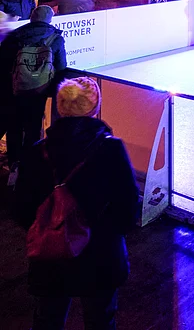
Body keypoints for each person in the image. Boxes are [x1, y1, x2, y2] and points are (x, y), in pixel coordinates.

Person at [12, 77, 139, 330]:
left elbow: (21, 208)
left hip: (50, 256)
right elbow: (128, 208)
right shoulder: (112, 149)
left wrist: (51, 227)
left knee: (47, 321)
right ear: (95, 107)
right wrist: (103, 231)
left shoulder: (37, 151)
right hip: (101, 256)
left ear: (60, 107)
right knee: (101, 321)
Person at [0, 5, 68, 185]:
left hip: (13, 92)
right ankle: (28, 168)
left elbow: (2, 63)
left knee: (14, 127)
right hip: (38, 93)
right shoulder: (55, 38)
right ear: (49, 20)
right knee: (33, 129)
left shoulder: (15, 36)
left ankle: (14, 166)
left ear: (31, 17)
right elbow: (61, 66)